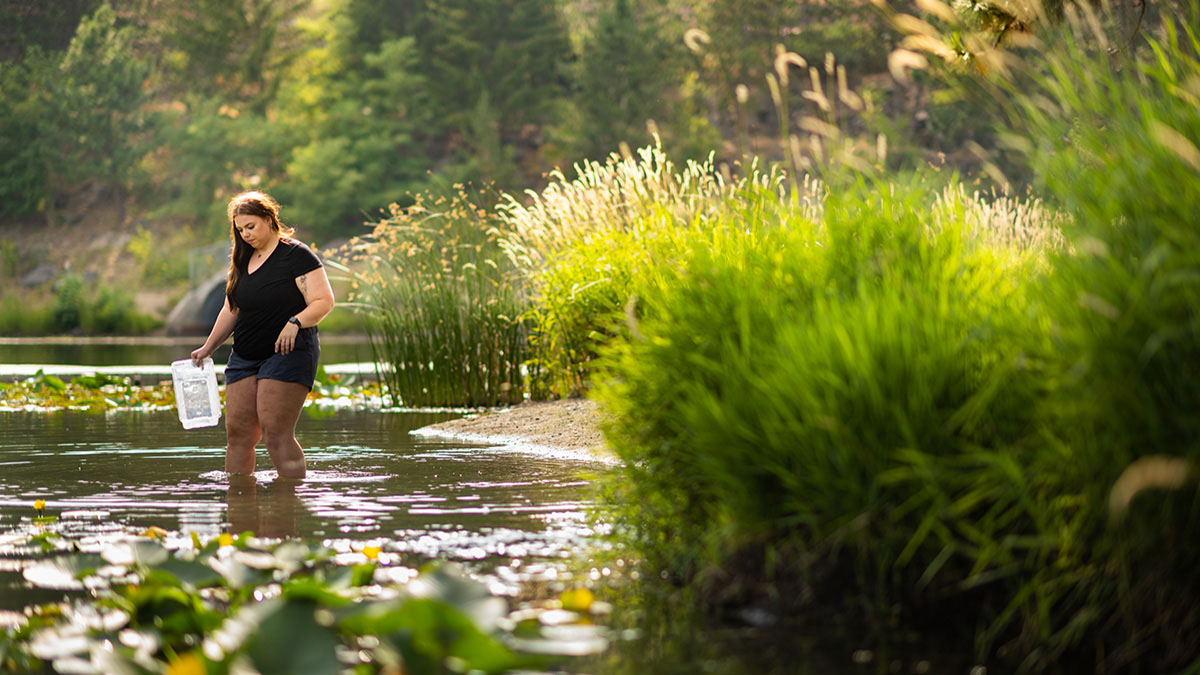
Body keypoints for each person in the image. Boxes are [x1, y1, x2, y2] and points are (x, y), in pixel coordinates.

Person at [191, 191, 334, 479]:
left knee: (275, 432)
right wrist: (208, 346)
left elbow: (323, 301)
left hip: (288, 354)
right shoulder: (243, 259)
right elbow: (231, 309)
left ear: (269, 219)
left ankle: (289, 504)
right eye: (240, 229)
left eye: (250, 227)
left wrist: (295, 321)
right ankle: (240, 506)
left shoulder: (296, 255)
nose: (245, 234)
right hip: (244, 356)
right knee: (238, 435)